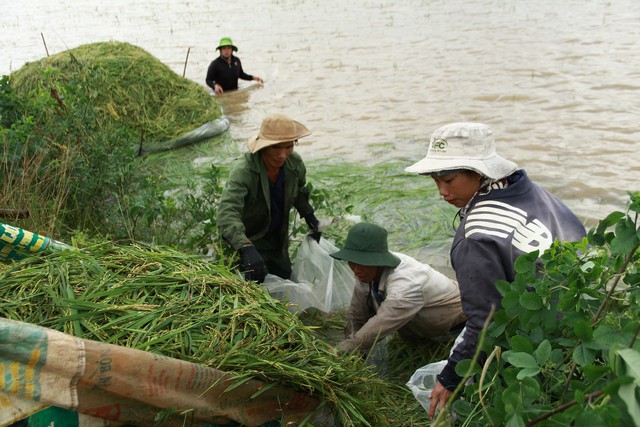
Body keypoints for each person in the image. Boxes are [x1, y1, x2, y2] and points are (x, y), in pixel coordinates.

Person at [404, 122, 586, 419]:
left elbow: (483, 321)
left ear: (479, 172)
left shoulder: (475, 237)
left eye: (449, 180)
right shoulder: (529, 190)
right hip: (576, 317)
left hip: (538, 334)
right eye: (435, 180)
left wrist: (449, 377)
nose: (442, 192)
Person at [330, 222, 467, 356]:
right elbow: (357, 314)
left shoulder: (407, 284)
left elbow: (381, 324)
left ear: (377, 260)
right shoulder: (366, 272)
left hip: (456, 326)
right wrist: (350, 347)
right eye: (352, 262)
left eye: (362, 263)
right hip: (420, 326)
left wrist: (345, 349)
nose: (356, 270)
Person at [217, 113, 321, 284]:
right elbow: (227, 213)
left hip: (277, 240)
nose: (282, 155)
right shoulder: (244, 170)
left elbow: (298, 192)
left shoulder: (293, 164)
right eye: (276, 148)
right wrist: (245, 248)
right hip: (248, 239)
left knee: (284, 287)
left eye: (288, 147)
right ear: (264, 146)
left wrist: (309, 215)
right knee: (247, 291)